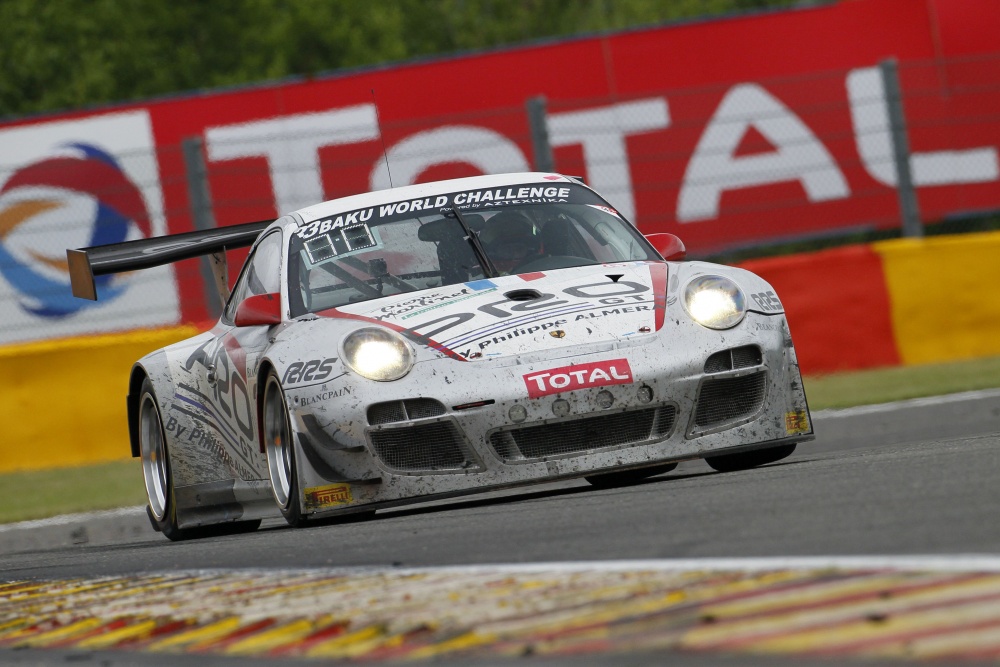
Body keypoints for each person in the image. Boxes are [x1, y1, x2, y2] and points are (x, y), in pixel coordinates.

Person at [478, 210, 542, 275]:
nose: (515, 254)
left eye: (519, 249)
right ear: (493, 252)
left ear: (529, 249)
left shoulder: (544, 265)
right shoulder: (479, 277)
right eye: (508, 250)